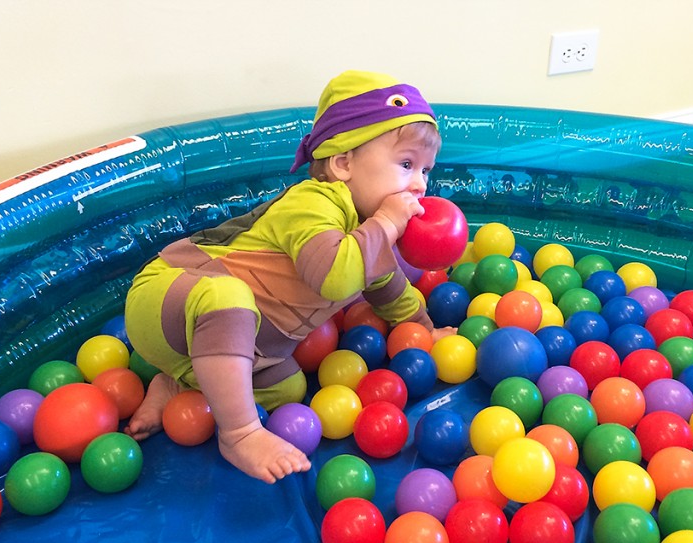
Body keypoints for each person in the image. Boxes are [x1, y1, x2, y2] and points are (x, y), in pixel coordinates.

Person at [123, 70, 453, 484]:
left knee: (289, 388)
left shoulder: (370, 228)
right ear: (343, 162)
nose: (420, 185)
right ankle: (240, 432)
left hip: (226, 339)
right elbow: (334, 276)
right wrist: (386, 224)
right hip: (167, 297)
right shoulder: (313, 204)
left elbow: (385, 281)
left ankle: (178, 384)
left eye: (426, 170)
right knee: (229, 298)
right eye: (406, 164)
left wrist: (423, 329)